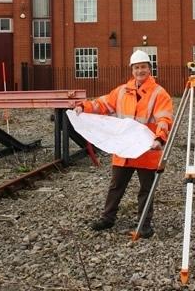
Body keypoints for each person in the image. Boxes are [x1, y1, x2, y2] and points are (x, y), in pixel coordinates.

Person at [74, 50, 173, 238]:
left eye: (143, 67)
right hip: (124, 150)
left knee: (146, 189)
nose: (140, 71)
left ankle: (144, 225)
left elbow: (164, 118)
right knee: (116, 185)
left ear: (149, 69)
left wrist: (159, 138)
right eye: (136, 68)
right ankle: (107, 218)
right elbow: (102, 104)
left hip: (147, 150)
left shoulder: (159, 93)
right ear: (132, 70)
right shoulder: (121, 91)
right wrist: (83, 106)